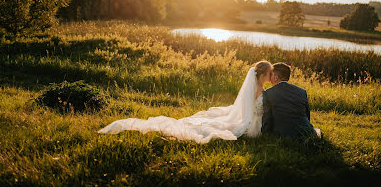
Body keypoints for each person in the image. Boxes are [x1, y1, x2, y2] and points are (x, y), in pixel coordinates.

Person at [98, 61, 273, 143]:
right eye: (270, 73)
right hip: (252, 124)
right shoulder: (259, 89)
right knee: (219, 126)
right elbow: (254, 110)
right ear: (263, 75)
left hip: (252, 119)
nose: (271, 76)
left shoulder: (256, 87)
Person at [262, 62, 321, 138]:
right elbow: (307, 114)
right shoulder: (302, 91)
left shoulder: (268, 93)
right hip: (306, 132)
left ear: (276, 77)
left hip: (283, 134)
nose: (270, 78)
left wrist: (265, 133)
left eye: (271, 75)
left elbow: (267, 118)